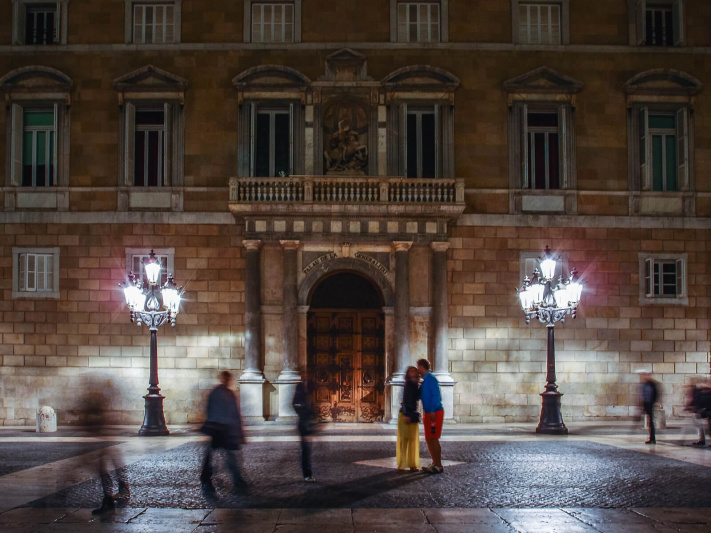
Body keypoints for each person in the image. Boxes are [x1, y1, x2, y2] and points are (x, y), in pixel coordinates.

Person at [87, 377, 130, 515]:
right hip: (104, 439)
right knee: (111, 465)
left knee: (103, 469)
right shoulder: (103, 398)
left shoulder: (98, 400)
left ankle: (109, 499)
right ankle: (121, 489)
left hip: (102, 440)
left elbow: (97, 421)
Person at [200, 371, 246, 493]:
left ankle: (236, 478)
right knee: (219, 455)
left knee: (225, 455)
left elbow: (234, 414)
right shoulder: (222, 393)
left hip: (224, 429)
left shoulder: (223, 393)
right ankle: (207, 478)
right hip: (220, 429)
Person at [418, 358, 444, 474]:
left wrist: (433, 410)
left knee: (434, 438)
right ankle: (434, 462)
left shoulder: (431, 379)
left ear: (422, 367)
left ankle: (438, 464)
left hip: (434, 413)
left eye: (418, 367)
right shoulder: (424, 380)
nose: (418, 369)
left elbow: (436, 396)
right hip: (428, 413)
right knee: (429, 438)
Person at [396, 366, 421, 472]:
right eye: (411, 371)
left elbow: (417, 397)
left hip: (412, 414)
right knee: (404, 440)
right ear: (408, 373)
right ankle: (402, 463)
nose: (413, 372)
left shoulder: (415, 385)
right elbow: (405, 400)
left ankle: (412, 464)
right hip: (406, 414)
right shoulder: (408, 385)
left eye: (414, 370)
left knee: (412, 440)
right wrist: (406, 414)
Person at [292, 377, 317, 482]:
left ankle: (307, 473)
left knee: (307, 449)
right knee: (306, 450)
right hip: (304, 425)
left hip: (308, 425)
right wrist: (305, 416)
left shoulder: (308, 391)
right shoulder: (300, 391)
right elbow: (296, 405)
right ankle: (307, 474)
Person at [640, 372, 660, 445]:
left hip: (650, 405)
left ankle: (652, 438)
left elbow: (655, 395)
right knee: (649, 422)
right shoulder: (646, 384)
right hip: (647, 405)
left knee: (650, 422)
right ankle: (651, 438)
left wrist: (653, 403)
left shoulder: (652, 384)